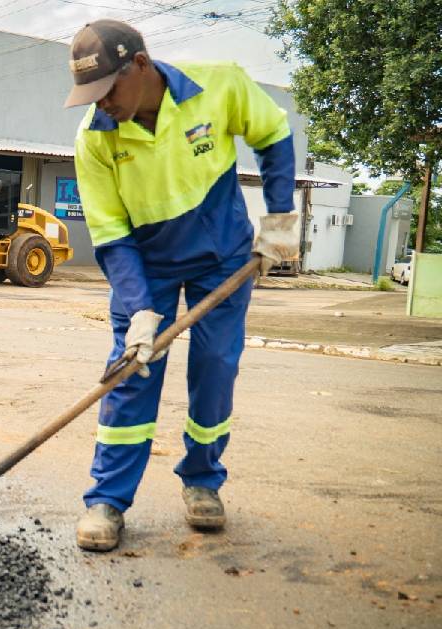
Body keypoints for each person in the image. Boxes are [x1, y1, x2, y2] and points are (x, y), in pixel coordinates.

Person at [64, 20, 299, 550]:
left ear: (140, 66)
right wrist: (140, 311)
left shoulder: (219, 85)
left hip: (223, 257)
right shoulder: (95, 138)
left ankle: (202, 481)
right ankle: (107, 499)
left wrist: (280, 220)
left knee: (216, 367)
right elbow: (110, 235)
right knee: (131, 373)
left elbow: (273, 133)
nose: (99, 104)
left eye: (107, 90)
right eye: (89, 95)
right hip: (146, 264)